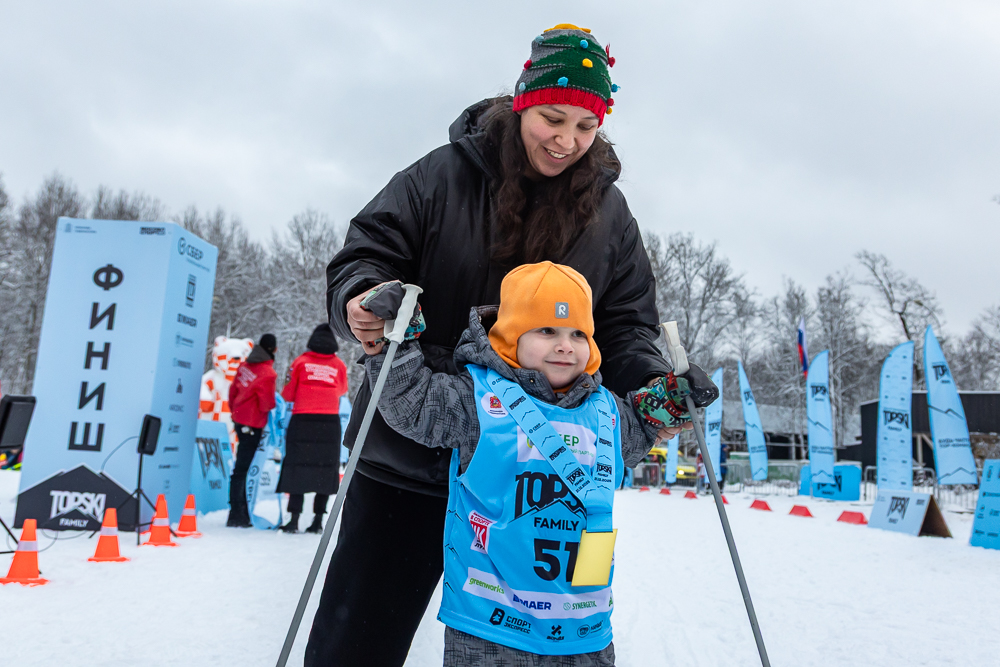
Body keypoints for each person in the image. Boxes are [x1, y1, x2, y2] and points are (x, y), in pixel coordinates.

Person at [314, 24, 686, 665]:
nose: (567, 141)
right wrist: (365, 297)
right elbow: (368, 251)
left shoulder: (609, 215)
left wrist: (652, 383)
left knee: (527, 652)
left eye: (586, 127)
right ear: (522, 102)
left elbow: (627, 325)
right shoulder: (442, 174)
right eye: (552, 117)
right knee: (355, 644)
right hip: (413, 457)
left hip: (536, 483)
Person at [363, 264, 717, 664]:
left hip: (584, 630)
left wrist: (670, 399)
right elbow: (412, 402)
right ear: (513, 337)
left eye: (578, 334)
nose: (565, 345)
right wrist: (397, 338)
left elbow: (641, 423)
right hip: (491, 626)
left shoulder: (606, 411)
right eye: (547, 330)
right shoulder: (478, 399)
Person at [277, 324, 348, 534]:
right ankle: (318, 520)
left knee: (297, 467)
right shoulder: (339, 365)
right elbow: (342, 390)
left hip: (303, 420)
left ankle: (294, 519)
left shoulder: (300, 362)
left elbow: (288, 393)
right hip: (329, 422)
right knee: (325, 469)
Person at [226, 334, 278, 528]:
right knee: (244, 469)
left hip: (240, 420)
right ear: (273, 350)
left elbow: (232, 393)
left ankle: (236, 511)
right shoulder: (268, 373)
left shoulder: (244, 366)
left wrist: (236, 413)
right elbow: (267, 404)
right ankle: (238, 515)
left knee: (239, 469)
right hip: (253, 424)